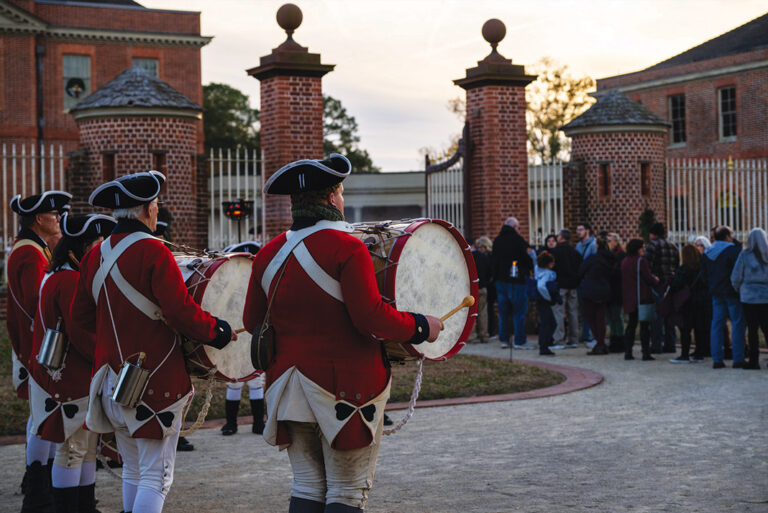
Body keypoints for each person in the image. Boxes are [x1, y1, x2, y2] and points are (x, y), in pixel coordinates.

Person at [242, 154, 443, 513]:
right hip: (344, 390)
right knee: (347, 491)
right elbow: (370, 318)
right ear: (333, 197)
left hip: (287, 387)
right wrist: (421, 326)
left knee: (306, 485)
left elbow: (251, 319)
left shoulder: (267, 253)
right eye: (341, 193)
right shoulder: (349, 246)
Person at [70, 171, 236, 513]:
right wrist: (217, 332)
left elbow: (82, 317)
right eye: (156, 206)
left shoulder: (94, 256)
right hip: (153, 380)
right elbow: (180, 312)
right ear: (147, 210)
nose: (157, 212)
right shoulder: (154, 252)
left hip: (111, 381)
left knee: (134, 469)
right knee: (156, 476)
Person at [29, 212, 115, 512]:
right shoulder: (70, 281)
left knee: (87, 447)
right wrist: (110, 356)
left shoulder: (63, 276)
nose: (100, 248)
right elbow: (82, 334)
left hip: (72, 375)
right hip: (71, 376)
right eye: (95, 243)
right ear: (77, 250)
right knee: (74, 449)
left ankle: (84, 505)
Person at [6, 190, 71, 512]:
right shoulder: (31, 254)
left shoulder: (32, 248)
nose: (58, 217)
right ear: (37, 219)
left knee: (41, 416)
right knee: (42, 418)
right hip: (39, 345)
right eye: (52, 213)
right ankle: (37, 485)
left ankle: (37, 480)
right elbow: (37, 304)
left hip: (34, 343)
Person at [700, 226, 746, 369]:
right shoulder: (733, 251)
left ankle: (717, 359)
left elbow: (703, 275)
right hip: (732, 292)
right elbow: (739, 271)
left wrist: (711, 286)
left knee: (717, 325)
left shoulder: (707, 253)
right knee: (737, 324)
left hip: (716, 292)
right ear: (727, 236)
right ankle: (738, 358)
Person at [491, 217, 534, 349]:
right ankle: (519, 340)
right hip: (517, 281)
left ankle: (504, 339)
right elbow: (527, 258)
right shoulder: (518, 240)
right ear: (515, 227)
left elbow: (494, 261)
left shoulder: (497, 241)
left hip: (501, 281)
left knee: (503, 313)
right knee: (519, 311)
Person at [730, 227, 768, 370]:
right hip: (766, 296)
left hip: (749, 297)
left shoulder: (745, 255)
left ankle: (753, 360)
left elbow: (736, 277)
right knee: (766, 327)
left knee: (752, 329)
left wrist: (740, 290)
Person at [668, 244, 709, 363]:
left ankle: (684, 354)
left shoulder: (683, 269)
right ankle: (699, 353)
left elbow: (676, 284)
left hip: (687, 301)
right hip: (701, 300)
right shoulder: (702, 268)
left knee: (685, 329)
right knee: (699, 328)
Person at [577, 236, 618, 355]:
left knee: (590, 317)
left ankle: (599, 342)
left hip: (590, 289)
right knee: (600, 318)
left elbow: (581, 271)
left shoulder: (593, 258)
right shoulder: (612, 258)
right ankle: (601, 342)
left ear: (597, 246)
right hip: (605, 289)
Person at [621, 239, 660, 360]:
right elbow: (648, 278)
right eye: (642, 247)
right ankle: (645, 352)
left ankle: (628, 351)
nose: (644, 249)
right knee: (644, 326)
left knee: (631, 325)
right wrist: (655, 279)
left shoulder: (625, 261)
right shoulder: (641, 261)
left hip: (629, 297)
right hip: (642, 297)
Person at [644, 223, 680, 353]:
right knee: (670, 314)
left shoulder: (652, 246)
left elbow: (646, 266)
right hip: (670, 283)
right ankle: (671, 344)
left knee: (657, 315)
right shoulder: (673, 246)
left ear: (653, 234)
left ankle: (656, 344)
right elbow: (677, 265)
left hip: (657, 282)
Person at [550, 229, 582, 349]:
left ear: (561, 238)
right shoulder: (575, 252)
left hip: (560, 284)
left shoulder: (555, 252)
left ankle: (559, 339)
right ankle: (574, 338)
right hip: (573, 285)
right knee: (572, 312)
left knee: (559, 312)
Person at [534, 252, 560, 356]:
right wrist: (548, 297)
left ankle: (545, 343)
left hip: (540, 300)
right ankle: (544, 345)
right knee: (549, 323)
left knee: (547, 322)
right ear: (549, 264)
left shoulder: (537, 270)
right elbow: (541, 286)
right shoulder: (547, 274)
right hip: (544, 300)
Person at [575, 222, 597, 345]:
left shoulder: (593, 245)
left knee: (590, 308)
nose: (578, 232)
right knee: (582, 309)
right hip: (581, 279)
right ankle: (585, 333)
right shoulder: (578, 245)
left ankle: (591, 333)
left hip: (589, 279)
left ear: (587, 231)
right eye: (577, 230)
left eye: (581, 229)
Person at [605, 233, 626, 353]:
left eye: (610, 241)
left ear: (616, 242)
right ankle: (614, 337)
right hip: (610, 289)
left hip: (617, 289)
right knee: (611, 316)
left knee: (617, 315)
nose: (608, 243)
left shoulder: (621, 255)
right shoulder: (609, 255)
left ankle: (620, 338)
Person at [468, 236, 492, 344]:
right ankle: (484, 335)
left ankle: (472, 336)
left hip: (469, 289)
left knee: (471, 312)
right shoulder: (483, 256)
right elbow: (489, 272)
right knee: (483, 312)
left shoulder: (466, 257)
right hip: (482, 287)